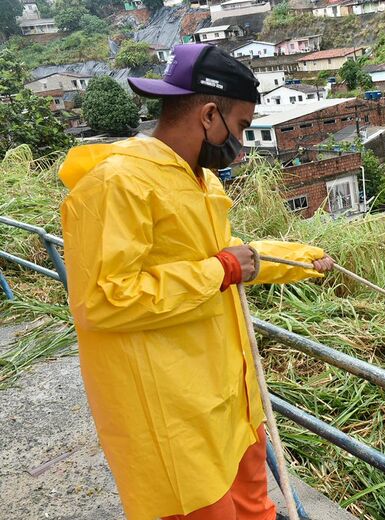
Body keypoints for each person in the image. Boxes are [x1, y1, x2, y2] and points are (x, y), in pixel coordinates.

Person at [59, 43, 334, 520]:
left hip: (225, 398)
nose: (242, 144)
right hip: (169, 416)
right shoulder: (117, 184)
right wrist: (221, 270)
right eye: (242, 127)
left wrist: (302, 260)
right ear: (209, 115)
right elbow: (102, 299)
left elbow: (227, 261)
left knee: (257, 509)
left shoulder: (201, 181)